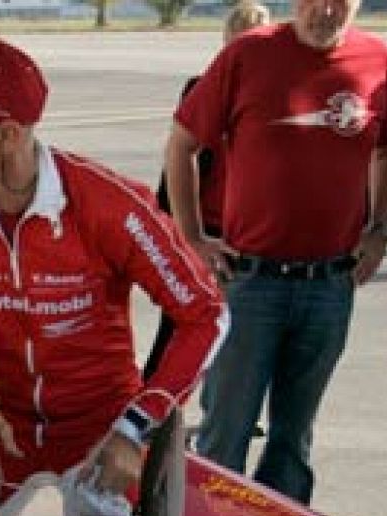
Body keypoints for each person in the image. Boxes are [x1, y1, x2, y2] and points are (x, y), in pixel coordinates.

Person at [0, 36, 227, 516]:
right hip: (3, 427)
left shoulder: (107, 204)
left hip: (102, 429)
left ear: (4, 134)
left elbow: (205, 314)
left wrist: (137, 426)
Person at [165, 0, 387, 505]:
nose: (324, 10)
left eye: (338, 2)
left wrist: (380, 229)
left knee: (291, 441)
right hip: (252, 282)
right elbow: (182, 144)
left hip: (329, 285)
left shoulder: (380, 60)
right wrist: (192, 236)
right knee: (225, 436)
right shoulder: (248, 55)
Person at [147, 0, 270, 375]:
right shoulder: (204, 89)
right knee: (183, 326)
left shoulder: (275, 93)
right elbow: (179, 159)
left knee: (242, 330)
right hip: (208, 224)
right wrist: (180, 232)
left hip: (251, 230)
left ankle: (235, 402)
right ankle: (151, 408)